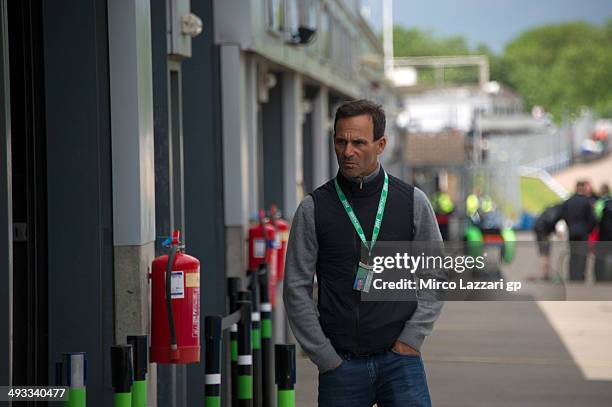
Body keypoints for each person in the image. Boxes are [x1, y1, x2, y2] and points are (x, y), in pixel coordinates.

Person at [283, 100, 443, 406]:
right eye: (340, 141)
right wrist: (324, 355)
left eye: (359, 142)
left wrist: (411, 340)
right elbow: (296, 288)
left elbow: (434, 275)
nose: (347, 151)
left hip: (400, 363)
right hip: (341, 367)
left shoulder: (411, 202)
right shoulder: (314, 209)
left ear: (381, 144)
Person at [560, 180, 596, 281]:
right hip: (583, 232)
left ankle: (572, 276)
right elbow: (592, 219)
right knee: (583, 255)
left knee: (572, 254)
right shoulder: (587, 202)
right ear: (583, 188)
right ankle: (580, 276)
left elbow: (564, 216)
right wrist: (589, 229)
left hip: (572, 231)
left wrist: (570, 226)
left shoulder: (568, 202)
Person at [532, 204, 562, 280]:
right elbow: (550, 221)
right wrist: (555, 232)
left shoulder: (550, 210)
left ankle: (545, 273)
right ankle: (544, 274)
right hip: (543, 233)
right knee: (545, 253)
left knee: (544, 253)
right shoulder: (556, 212)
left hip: (541, 232)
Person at [594, 184, 612, 281]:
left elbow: (596, 218)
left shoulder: (600, 203)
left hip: (603, 234)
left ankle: (599, 277)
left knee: (600, 256)